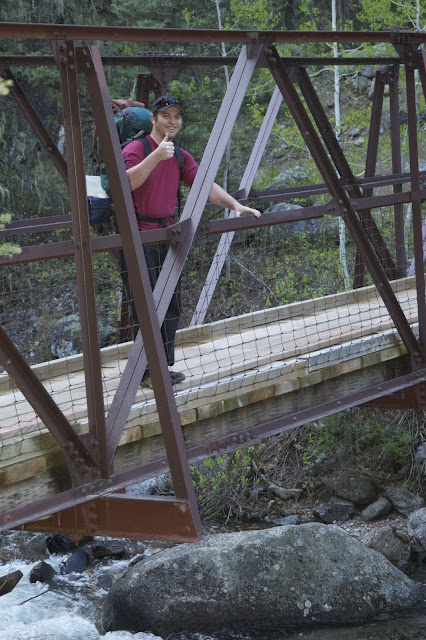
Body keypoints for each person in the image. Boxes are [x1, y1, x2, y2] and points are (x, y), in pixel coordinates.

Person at [122, 95, 261, 387]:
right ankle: (145, 372)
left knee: (170, 303)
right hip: (139, 239)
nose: (172, 122)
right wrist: (156, 156)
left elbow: (203, 184)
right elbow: (125, 183)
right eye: (166, 116)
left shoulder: (180, 156)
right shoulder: (137, 149)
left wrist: (234, 205)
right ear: (153, 119)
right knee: (146, 306)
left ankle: (161, 367)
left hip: (167, 236)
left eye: (177, 117)